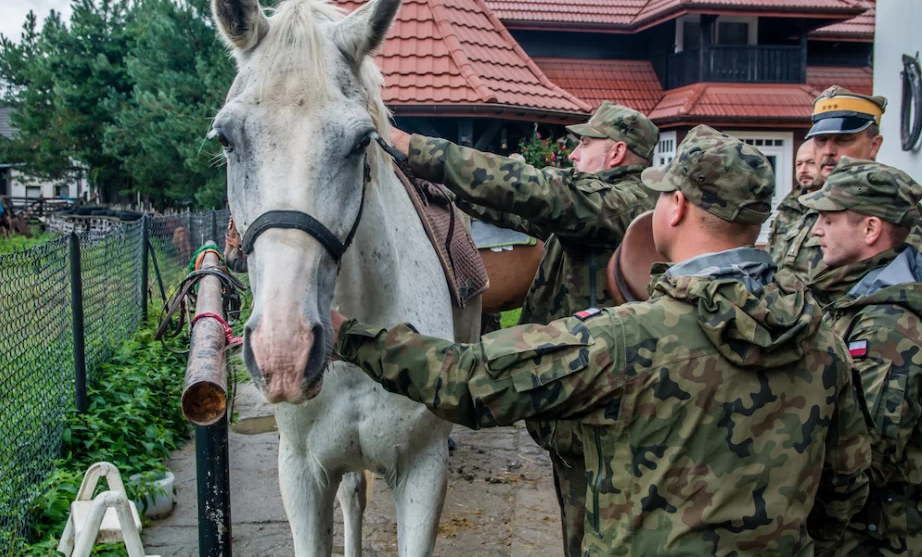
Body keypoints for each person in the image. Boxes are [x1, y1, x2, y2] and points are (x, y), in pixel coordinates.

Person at [333, 127, 870, 556]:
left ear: (675, 207)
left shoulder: (632, 337)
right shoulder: (823, 339)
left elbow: (469, 380)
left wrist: (348, 336)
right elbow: (845, 487)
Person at [388, 101, 658, 557]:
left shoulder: (626, 202)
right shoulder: (590, 208)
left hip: (608, 425)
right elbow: (515, 207)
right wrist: (436, 183)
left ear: (615, 153)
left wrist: (414, 147)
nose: (574, 154)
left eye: (585, 144)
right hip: (579, 421)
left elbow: (536, 191)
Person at [803, 158, 922, 556]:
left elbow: (869, 459)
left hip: (874, 539)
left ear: (871, 229)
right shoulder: (855, 297)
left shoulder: (888, 326)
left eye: (828, 219)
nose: (816, 230)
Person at [777, 86, 921, 279]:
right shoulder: (796, 205)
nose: (828, 150)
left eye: (843, 140)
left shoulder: (895, 211)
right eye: (821, 140)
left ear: (874, 145)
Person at [767, 138, 821, 268]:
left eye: (811, 163)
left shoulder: (833, 210)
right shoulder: (787, 210)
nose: (803, 170)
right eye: (799, 164)